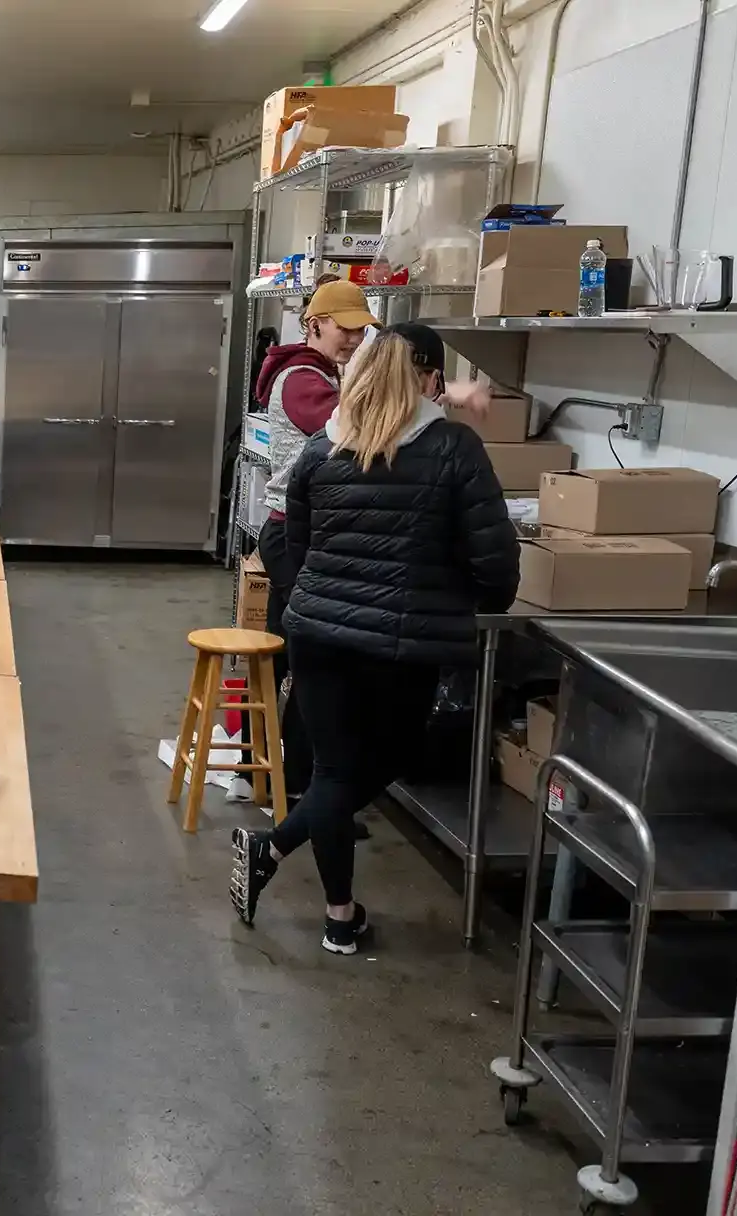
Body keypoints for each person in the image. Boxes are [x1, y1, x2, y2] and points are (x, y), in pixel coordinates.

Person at [231, 323, 520, 955]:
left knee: (333, 772)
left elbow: (298, 545)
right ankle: (276, 854)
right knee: (376, 767)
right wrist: (465, 606)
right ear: (430, 380)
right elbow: (495, 566)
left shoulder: (322, 449)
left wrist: (328, 596)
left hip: (317, 634)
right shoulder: (453, 450)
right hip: (400, 645)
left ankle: (339, 915)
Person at [251, 280, 375, 807]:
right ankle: (296, 784)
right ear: (314, 323)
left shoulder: (323, 373)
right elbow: (349, 427)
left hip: (300, 531)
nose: (351, 337)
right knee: (309, 665)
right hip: (295, 534)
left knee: (289, 657)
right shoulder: (303, 378)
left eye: (359, 329)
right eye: (344, 327)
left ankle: (269, 775)